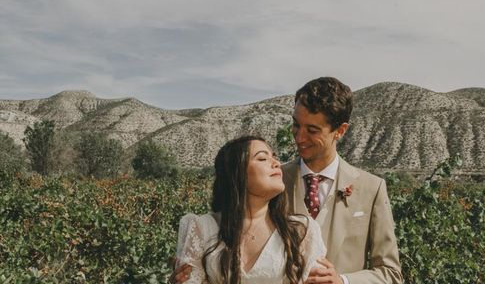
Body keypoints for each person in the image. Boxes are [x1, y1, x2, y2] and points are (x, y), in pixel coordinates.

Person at [173, 77, 403, 284]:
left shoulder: (372, 188)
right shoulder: (270, 181)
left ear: (340, 131)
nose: (299, 137)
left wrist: (342, 281)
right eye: (296, 124)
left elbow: (390, 274)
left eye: (312, 130)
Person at [173, 135, 326, 284]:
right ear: (236, 173)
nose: (276, 163)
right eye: (262, 158)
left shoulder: (302, 231)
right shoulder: (201, 227)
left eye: (274, 157)